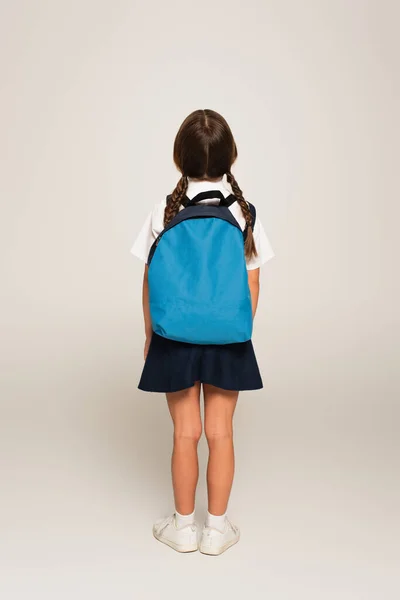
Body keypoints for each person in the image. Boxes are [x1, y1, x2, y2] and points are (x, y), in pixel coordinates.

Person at [130, 109, 274, 555]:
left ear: (180, 159)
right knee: (221, 433)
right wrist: (239, 329)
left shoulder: (164, 209)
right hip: (228, 338)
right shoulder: (245, 212)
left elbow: (150, 278)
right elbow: (252, 280)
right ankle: (216, 531)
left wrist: (152, 335)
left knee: (184, 434)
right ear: (231, 156)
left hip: (175, 336)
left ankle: (183, 527)